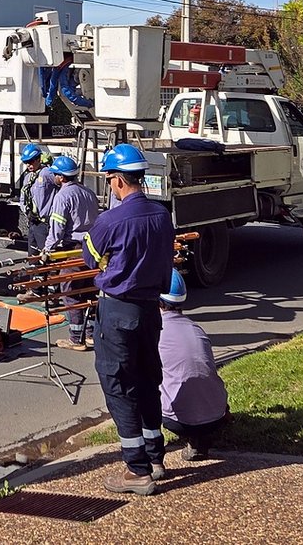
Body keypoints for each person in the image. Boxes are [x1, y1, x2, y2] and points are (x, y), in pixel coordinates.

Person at [83, 143, 175, 496]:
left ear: (117, 180)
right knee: (147, 378)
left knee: (118, 383)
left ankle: (137, 470)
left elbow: (90, 257)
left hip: (118, 310)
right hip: (150, 310)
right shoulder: (161, 215)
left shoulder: (110, 220)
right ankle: (156, 457)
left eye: (109, 180)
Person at [158, 269, 229, 460]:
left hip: (178, 421)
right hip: (217, 415)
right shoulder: (195, 328)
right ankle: (199, 443)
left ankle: (151, 457)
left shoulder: (154, 332)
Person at [41, 154, 99, 352]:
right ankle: (91, 335)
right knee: (90, 290)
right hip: (91, 249)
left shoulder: (63, 196)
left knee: (71, 292)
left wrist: (47, 250)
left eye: (56, 174)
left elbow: (57, 228)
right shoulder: (88, 192)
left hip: (72, 250)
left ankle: (76, 338)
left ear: (61, 177)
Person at [17, 143, 57, 256]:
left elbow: (61, 185)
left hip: (44, 223)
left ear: (38, 159)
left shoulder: (47, 173)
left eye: (31, 161)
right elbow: (23, 197)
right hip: (32, 222)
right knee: (32, 254)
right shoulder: (27, 177)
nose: (29, 165)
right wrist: (26, 211)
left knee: (45, 255)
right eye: (26, 162)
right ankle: (34, 273)